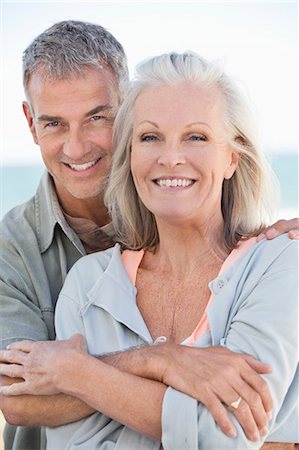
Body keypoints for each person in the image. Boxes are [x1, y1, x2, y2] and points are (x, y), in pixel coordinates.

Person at [0, 20, 297, 450]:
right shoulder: (67, 273)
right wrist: (164, 361)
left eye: (97, 117)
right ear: (31, 123)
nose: (77, 147)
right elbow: (20, 397)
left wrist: (76, 371)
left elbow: (228, 433)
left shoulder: (274, 259)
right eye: (54, 124)